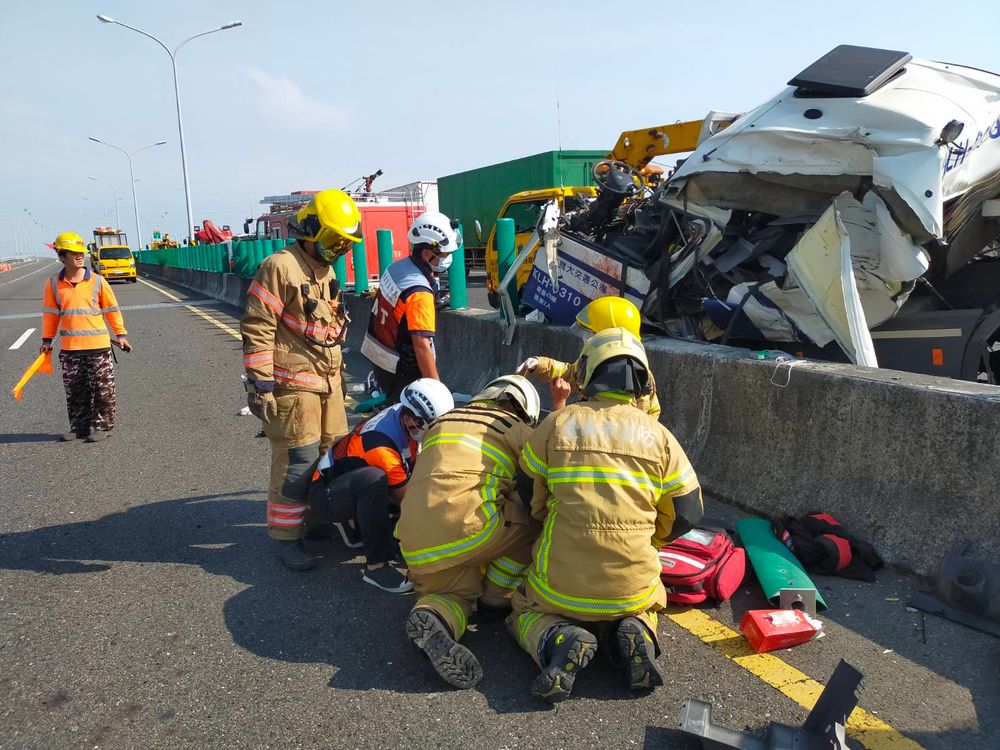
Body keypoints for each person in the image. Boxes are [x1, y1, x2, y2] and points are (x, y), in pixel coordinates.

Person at [508, 327, 703, 701]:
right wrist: (650, 539)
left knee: (522, 610)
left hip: (560, 585)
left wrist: (551, 519)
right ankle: (638, 631)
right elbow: (687, 512)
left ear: (588, 373)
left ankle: (558, 638)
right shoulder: (660, 436)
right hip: (631, 588)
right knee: (643, 606)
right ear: (642, 381)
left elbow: (528, 490)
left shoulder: (558, 423)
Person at [398, 374, 571, 690]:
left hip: (414, 540)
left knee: (452, 594)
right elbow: (547, 472)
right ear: (525, 410)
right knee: (534, 518)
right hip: (469, 529)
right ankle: (495, 599)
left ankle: (434, 615)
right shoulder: (516, 429)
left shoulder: (442, 422)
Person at [240, 189, 361, 571]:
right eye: (333, 241)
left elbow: (327, 327)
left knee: (331, 457)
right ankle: (287, 537)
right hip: (293, 386)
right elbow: (258, 326)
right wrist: (261, 384)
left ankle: (317, 521)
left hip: (328, 383)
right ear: (310, 231)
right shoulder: (280, 267)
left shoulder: (326, 270)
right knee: (297, 462)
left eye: (344, 243)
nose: (339, 249)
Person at [307, 378, 455, 593]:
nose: (434, 431)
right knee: (374, 480)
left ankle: (369, 527)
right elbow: (406, 503)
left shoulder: (403, 417)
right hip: (327, 494)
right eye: (430, 426)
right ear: (409, 418)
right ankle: (376, 567)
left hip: (347, 481)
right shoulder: (381, 448)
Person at [360, 211, 460, 403]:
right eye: (445, 254)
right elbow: (421, 346)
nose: (447, 258)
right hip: (402, 369)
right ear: (427, 254)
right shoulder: (419, 292)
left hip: (380, 358)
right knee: (412, 416)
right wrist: (436, 392)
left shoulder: (396, 268)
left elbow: (400, 309)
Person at [41, 231, 131, 443]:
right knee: (75, 391)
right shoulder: (53, 284)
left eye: (81, 252)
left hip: (98, 347)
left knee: (103, 390)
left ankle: (103, 426)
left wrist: (121, 335)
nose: (80, 256)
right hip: (70, 349)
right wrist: (46, 340)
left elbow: (112, 310)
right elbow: (50, 315)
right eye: (74, 253)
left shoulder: (98, 281)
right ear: (61, 256)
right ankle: (79, 427)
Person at [516, 296, 661, 417]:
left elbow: (650, 415)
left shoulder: (639, 377)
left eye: (591, 335)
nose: (586, 340)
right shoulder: (595, 361)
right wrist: (539, 364)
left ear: (611, 337)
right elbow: (572, 372)